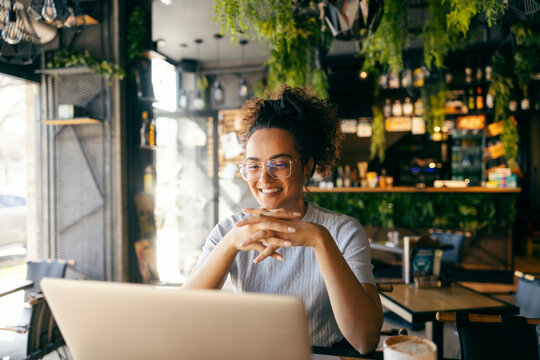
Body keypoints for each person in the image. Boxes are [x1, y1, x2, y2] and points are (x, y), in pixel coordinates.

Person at [183, 85, 383, 354]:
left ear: (308, 166)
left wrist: (319, 240)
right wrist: (230, 243)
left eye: (279, 163)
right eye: (253, 165)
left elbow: (365, 339)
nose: (263, 179)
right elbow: (182, 314)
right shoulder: (230, 231)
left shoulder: (342, 231)